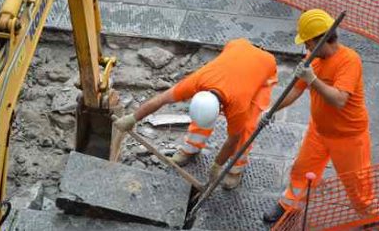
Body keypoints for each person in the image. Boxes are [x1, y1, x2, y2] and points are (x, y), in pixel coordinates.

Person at [114, 38, 277, 190]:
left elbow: (232, 140)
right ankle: (190, 149)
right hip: (237, 46)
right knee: (202, 118)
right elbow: (160, 100)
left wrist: (217, 165)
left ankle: (236, 170)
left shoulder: (238, 106)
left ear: (221, 108)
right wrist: (133, 118)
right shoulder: (196, 81)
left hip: (264, 67)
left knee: (246, 129)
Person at [263, 9, 375, 223]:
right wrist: (270, 110)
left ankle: (370, 219)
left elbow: (340, 100)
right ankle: (290, 205)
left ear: (321, 39)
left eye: (308, 42)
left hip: (348, 137)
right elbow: (295, 91)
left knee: (358, 185)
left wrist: (313, 80)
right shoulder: (312, 59)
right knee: (301, 170)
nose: (306, 47)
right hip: (319, 131)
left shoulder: (349, 61)